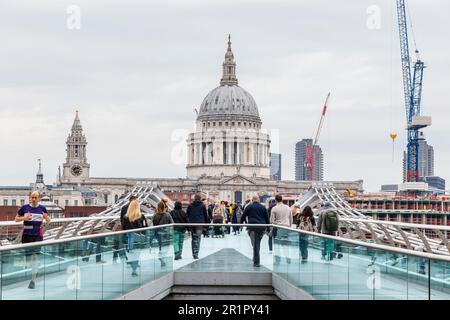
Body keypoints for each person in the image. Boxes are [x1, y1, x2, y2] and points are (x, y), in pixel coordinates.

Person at [15, 191, 51, 289]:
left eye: (36, 197)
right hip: (27, 235)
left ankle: (33, 280)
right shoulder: (25, 207)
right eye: (32, 197)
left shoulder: (42, 208)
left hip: (37, 237)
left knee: (34, 258)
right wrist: (24, 217)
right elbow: (16, 219)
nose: (34, 199)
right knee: (28, 260)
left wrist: (46, 217)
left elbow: (48, 221)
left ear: (39, 198)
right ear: (30, 198)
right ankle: (34, 270)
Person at [240, 195, 270, 267]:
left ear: (252, 200)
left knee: (255, 244)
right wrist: (268, 229)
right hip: (262, 228)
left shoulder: (249, 207)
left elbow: (243, 216)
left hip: (252, 227)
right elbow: (267, 218)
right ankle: (255, 257)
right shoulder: (263, 207)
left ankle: (256, 262)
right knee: (257, 243)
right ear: (258, 200)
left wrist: (241, 224)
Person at [122, 199, 148, 276]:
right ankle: (134, 269)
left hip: (129, 239)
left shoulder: (125, 217)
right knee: (137, 254)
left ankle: (132, 264)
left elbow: (124, 228)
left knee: (131, 253)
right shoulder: (141, 216)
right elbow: (145, 227)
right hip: (138, 239)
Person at [113, 195, 137, 263]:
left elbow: (121, 217)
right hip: (132, 225)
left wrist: (123, 224)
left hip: (125, 225)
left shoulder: (124, 207)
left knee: (125, 238)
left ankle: (126, 249)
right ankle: (130, 249)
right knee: (131, 236)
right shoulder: (134, 207)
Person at [270, 194, 293, 264]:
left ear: (276, 200)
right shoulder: (288, 208)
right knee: (285, 244)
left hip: (277, 228)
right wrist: (289, 226)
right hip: (286, 227)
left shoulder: (274, 208)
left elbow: (271, 221)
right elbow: (291, 219)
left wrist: (272, 228)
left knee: (277, 245)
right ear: (282, 199)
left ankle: (278, 260)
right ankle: (288, 258)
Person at [186, 194, 209, 259]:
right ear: (200, 199)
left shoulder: (190, 205)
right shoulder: (202, 206)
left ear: (194, 198)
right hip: (200, 224)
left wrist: (188, 225)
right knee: (198, 239)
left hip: (192, 224)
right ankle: (196, 253)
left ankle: (193, 253)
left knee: (193, 238)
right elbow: (205, 216)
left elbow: (187, 215)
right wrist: (206, 226)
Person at [152, 200, 174, 266]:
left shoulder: (155, 215)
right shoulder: (167, 215)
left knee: (160, 246)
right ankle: (162, 258)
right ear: (164, 207)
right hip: (166, 234)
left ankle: (161, 256)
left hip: (158, 234)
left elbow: (154, 224)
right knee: (166, 246)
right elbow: (172, 223)